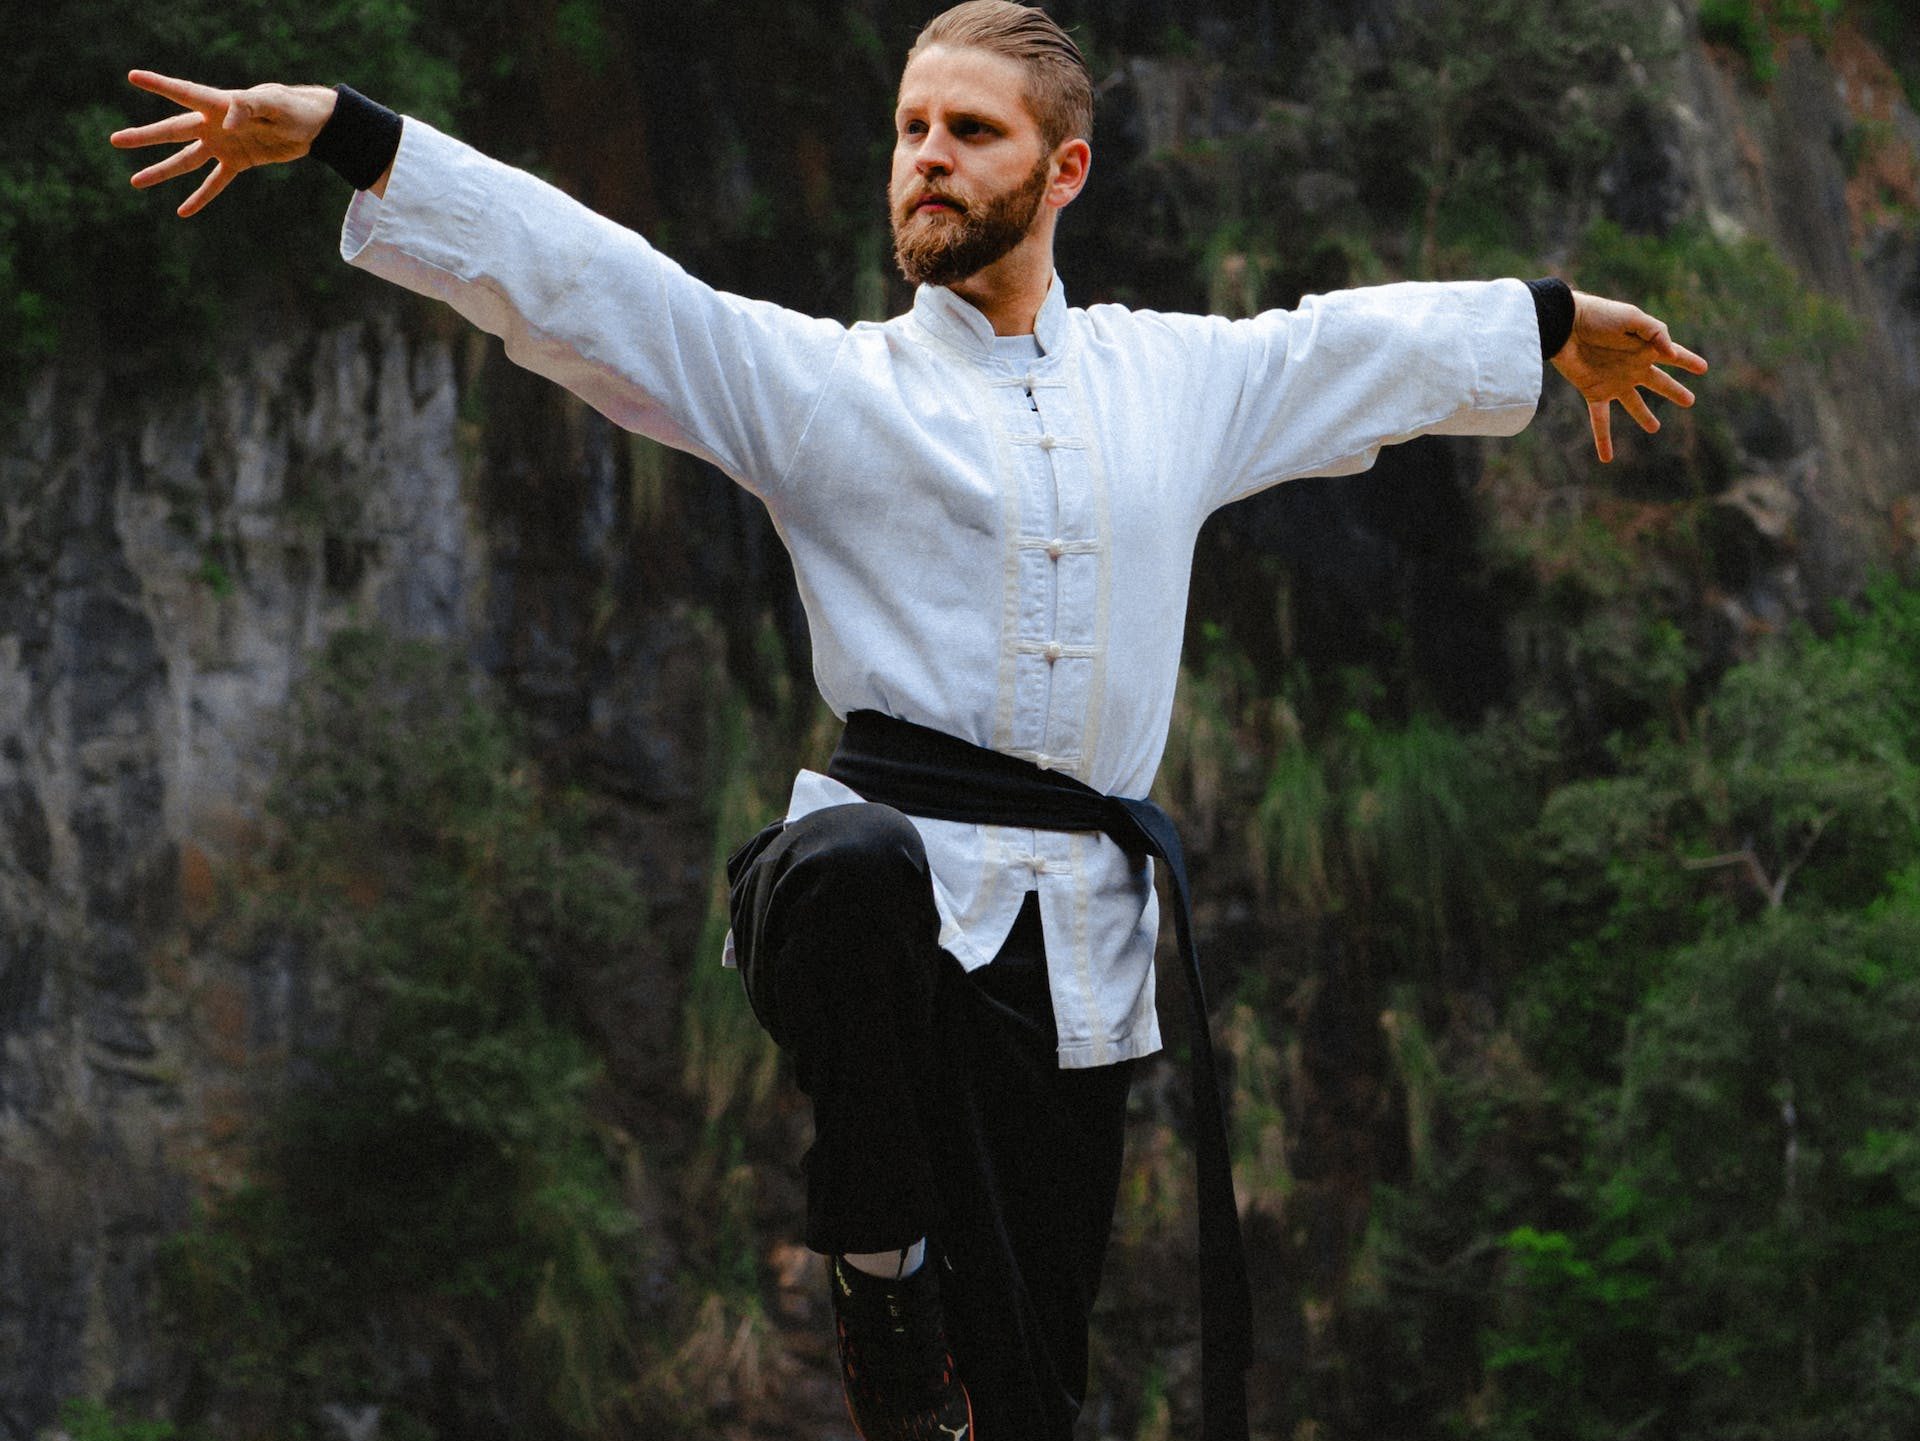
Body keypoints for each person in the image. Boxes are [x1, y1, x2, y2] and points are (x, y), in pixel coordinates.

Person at [111, 5, 1706, 1438]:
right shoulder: (826, 387)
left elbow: (1345, 345)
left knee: (1029, 1392)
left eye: (969, 132)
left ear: (1063, 167)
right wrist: (349, 133)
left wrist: (1550, 321)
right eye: (909, 129)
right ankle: (879, 1278)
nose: (925, 160)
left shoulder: (1174, 383)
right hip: (874, 912)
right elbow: (596, 288)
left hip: (1076, 957)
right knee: (857, 863)